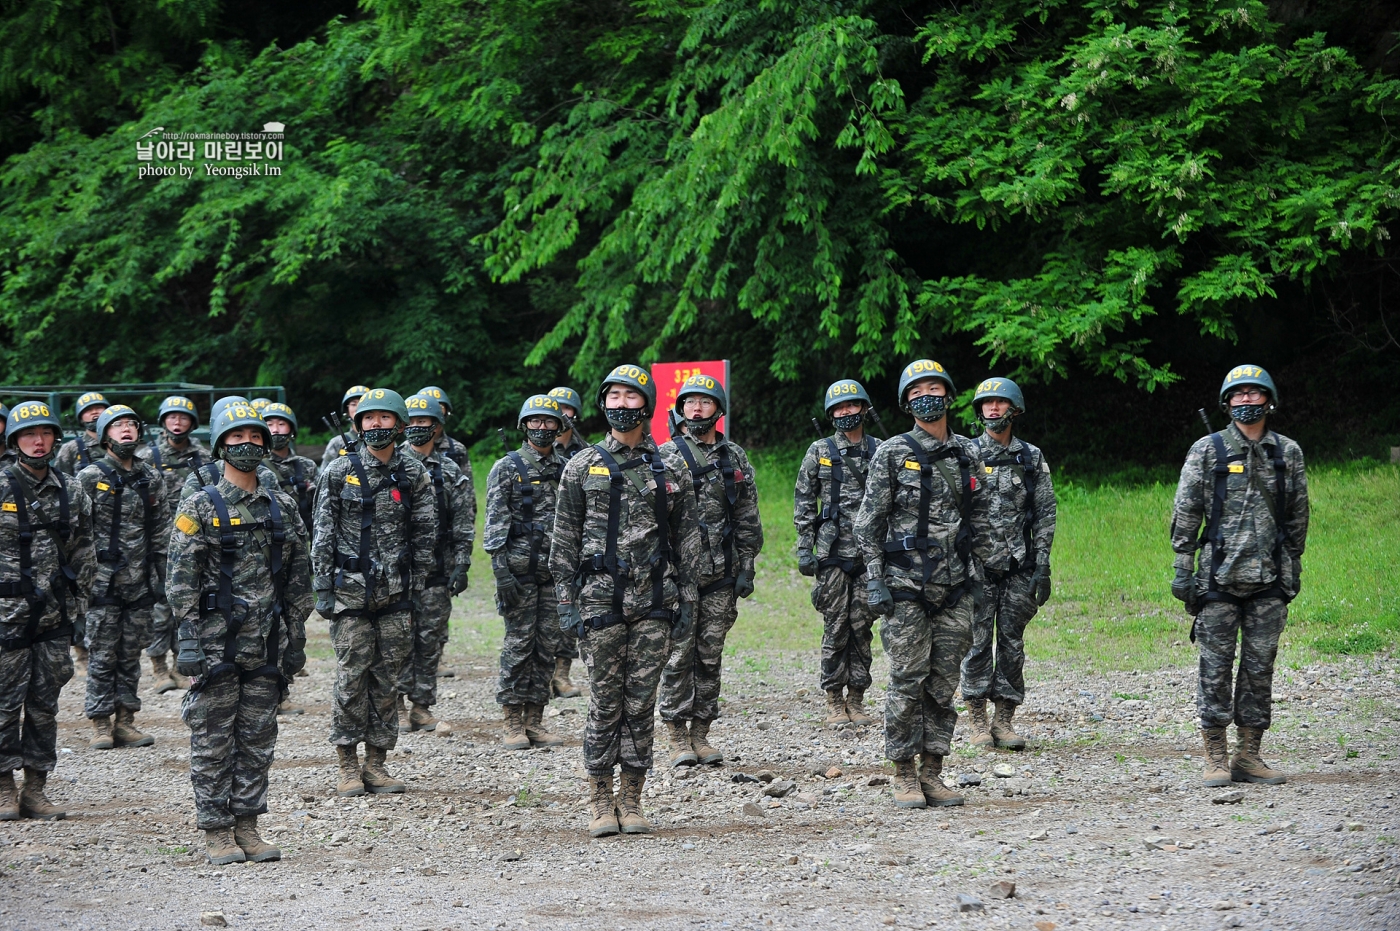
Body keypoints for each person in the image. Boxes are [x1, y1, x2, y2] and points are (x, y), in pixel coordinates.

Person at [550, 364, 700, 837]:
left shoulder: (671, 465)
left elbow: (688, 538)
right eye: (612, 396)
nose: (620, 404)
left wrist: (688, 600)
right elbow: (563, 543)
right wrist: (566, 604)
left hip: (655, 600)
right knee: (604, 703)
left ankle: (631, 797)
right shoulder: (580, 465)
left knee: (640, 703)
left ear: (647, 405)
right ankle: (599, 797)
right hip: (600, 601)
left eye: (630, 396)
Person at [169, 402, 313, 863]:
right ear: (219, 446)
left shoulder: (282, 506)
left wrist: (296, 638)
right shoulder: (198, 506)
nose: (247, 445)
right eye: (236, 438)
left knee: (257, 738)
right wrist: (188, 641)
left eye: (255, 438)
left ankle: (248, 825)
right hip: (215, 645)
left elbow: (297, 578)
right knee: (212, 738)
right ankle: (216, 829)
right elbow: (180, 578)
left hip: (267, 643)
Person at [854, 359, 991, 810]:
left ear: (950, 396)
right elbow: (867, 525)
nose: (925, 397)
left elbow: (985, 517)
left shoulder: (970, 453)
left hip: (957, 587)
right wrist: (875, 582)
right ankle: (903, 774)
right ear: (905, 403)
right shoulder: (891, 452)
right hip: (905, 586)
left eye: (933, 388)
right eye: (916, 393)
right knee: (907, 680)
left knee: (943, 683)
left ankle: (934, 770)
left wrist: (984, 573)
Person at [1171, 365, 1308, 788]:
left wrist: (1292, 569)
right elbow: (1186, 510)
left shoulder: (1287, 453)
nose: (1246, 401)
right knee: (1214, 667)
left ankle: (1248, 755)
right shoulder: (1207, 450)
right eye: (1238, 395)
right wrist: (1182, 566)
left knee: (1259, 668)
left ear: (1269, 401)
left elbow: (1297, 515)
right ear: (1226, 403)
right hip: (1217, 580)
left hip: (1269, 580)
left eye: (1254, 394)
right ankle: (1215, 754)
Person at [312, 389, 436, 797]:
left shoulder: (414, 472)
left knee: (387, 681)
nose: (376, 426)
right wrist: (323, 588)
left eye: (385, 419)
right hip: (349, 595)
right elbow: (323, 533)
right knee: (352, 677)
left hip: (397, 594)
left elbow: (424, 532)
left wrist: (416, 587)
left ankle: (376, 763)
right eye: (369, 419)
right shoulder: (337, 470)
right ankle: (347, 764)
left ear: (400, 425)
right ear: (358, 424)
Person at [658, 374, 762, 767]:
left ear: (718, 409)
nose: (697, 408)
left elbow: (747, 513)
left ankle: (701, 732)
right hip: (678, 576)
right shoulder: (664, 455)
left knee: (710, 653)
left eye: (705, 402)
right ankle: (675, 732)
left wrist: (747, 563)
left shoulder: (733, 456)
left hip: (721, 572)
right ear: (680, 409)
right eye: (690, 402)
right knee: (678, 654)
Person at [0, 401, 95, 820]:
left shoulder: (71, 489)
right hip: (5, 617)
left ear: (56, 438)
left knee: (44, 704)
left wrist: (78, 608)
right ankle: (4, 786)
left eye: (44, 434)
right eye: (27, 435)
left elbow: (84, 552)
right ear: (14, 441)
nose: (37, 442)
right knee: (4, 703)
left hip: (53, 617)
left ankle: (35, 787)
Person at [959, 378, 1056, 751]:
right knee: (977, 642)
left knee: (1012, 644)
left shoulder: (1031, 458)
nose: (993, 409)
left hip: (1018, 566)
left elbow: (1045, 513)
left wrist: (1042, 565)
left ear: (1014, 409)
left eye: (1000, 403)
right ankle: (978, 720)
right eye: (987, 404)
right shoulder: (966, 454)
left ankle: (1004, 719)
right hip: (976, 568)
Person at [76, 405, 170, 751]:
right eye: (117, 426)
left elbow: (161, 530)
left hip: (140, 581)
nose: (126, 430)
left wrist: (162, 575)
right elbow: (76, 532)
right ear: (104, 436)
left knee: (130, 653)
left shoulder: (150, 476)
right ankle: (100, 722)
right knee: (102, 652)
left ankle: (126, 720)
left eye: (131, 424)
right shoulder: (88, 477)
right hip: (102, 582)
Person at [794, 379, 882, 727]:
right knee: (835, 626)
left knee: (862, 626)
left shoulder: (881, 449)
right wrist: (804, 548)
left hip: (870, 555)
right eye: (840, 408)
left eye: (852, 405)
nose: (847, 412)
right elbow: (804, 500)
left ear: (863, 408)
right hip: (831, 552)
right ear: (832, 414)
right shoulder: (820, 450)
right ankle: (833, 700)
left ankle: (857, 698)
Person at [484, 395, 567, 750]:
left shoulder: (566, 468)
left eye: (549, 422)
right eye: (535, 421)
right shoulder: (507, 467)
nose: (542, 427)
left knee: (547, 648)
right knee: (519, 647)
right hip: (518, 574)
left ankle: (535, 719)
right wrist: (501, 573)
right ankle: (512, 721)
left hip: (554, 574)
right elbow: (494, 525)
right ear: (524, 425)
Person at [397, 393, 473, 733]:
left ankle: (421, 706)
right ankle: (395, 704)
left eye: (422, 422)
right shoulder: (391, 465)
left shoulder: (449, 469)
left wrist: (462, 563)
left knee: (430, 639)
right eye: (410, 423)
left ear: (436, 426)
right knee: (398, 639)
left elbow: (464, 518)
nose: (416, 428)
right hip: (397, 572)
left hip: (438, 569)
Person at [139, 395, 212, 693]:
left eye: (183, 417)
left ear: (192, 422)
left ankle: (182, 662)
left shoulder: (204, 456)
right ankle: (158, 667)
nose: (177, 422)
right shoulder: (148, 456)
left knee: (190, 604)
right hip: (159, 543)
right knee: (159, 608)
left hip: (195, 543)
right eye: (172, 417)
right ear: (163, 421)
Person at [260, 402, 319, 715]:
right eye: (269, 424)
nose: (276, 430)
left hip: (295, 549)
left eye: (282, 424)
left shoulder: (305, 467)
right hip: (261, 554)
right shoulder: (255, 467)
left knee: (290, 623)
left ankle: (282, 689)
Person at [545, 385, 587, 698]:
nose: (560, 414)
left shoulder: (585, 454)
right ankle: (541, 674)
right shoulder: (540, 448)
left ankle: (562, 673)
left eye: (566, 409)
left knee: (571, 609)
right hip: (541, 541)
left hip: (575, 541)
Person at [416, 386, 472, 475]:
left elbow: (466, 487)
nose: (434, 412)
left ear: (446, 412)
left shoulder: (457, 450)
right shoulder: (403, 451)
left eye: (439, 407)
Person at [54, 391, 109, 476]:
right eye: (88, 410)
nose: (94, 412)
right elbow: (60, 481)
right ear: (81, 418)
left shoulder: (120, 442)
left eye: (99, 407)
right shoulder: (70, 449)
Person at [320, 385, 368, 471]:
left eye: (362, 403)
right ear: (347, 411)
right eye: (353, 404)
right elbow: (323, 477)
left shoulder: (384, 439)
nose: (358, 408)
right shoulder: (337, 443)